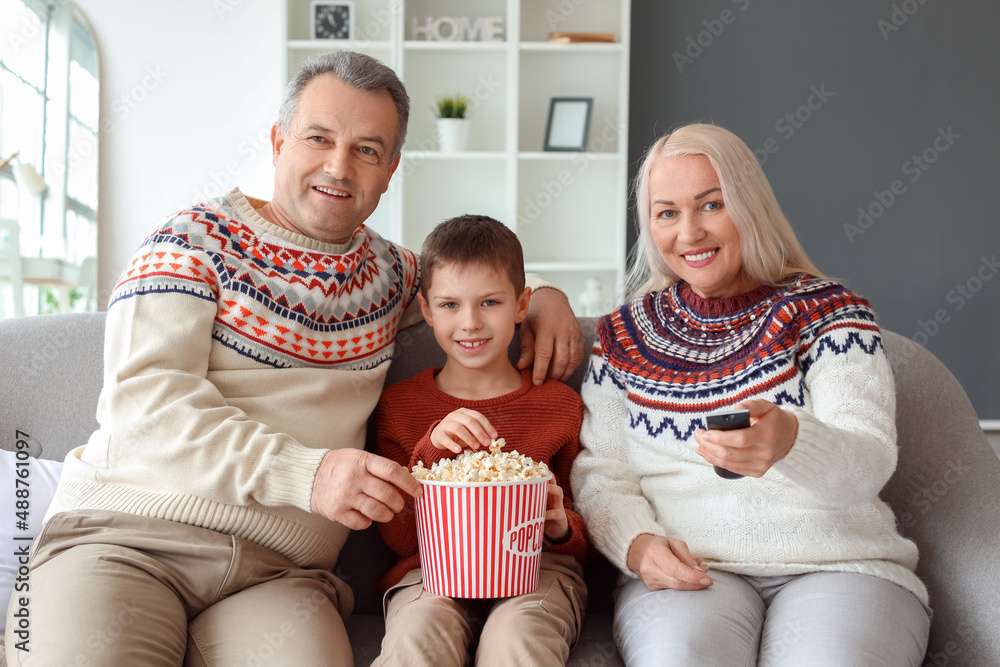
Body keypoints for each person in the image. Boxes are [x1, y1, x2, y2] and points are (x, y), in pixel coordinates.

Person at [4, 52, 584, 666]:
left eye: (367, 149)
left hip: (279, 576)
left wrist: (546, 295)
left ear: (389, 171)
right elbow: (146, 408)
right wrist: (307, 475)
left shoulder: (389, 274)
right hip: (127, 539)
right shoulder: (189, 243)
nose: (339, 165)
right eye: (318, 138)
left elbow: (472, 284)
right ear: (279, 141)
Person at [570, 123, 931, 666]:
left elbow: (868, 463)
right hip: (695, 570)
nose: (689, 233)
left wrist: (793, 443)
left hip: (839, 565)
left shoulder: (831, 314)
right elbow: (603, 474)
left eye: (710, 205)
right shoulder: (622, 337)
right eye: (667, 212)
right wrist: (636, 545)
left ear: (749, 205)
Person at [372, 215, 589, 667]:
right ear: (427, 310)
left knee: (518, 638)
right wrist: (431, 452)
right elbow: (397, 536)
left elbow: (585, 530)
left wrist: (560, 525)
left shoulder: (559, 405)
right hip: (430, 573)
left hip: (536, 569)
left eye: (489, 302)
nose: (470, 323)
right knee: (416, 634)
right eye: (450, 305)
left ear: (521, 304)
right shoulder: (400, 406)